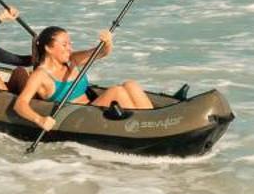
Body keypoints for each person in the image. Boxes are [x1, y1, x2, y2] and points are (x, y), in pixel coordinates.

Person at [11, 24, 155, 132]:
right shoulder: (41, 75)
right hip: (76, 117)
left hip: (93, 106)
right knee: (117, 92)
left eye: (70, 44)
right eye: (64, 44)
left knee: (130, 84)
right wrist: (40, 119)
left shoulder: (71, 60)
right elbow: (20, 104)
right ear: (48, 48)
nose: (69, 48)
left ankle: (154, 123)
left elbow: (101, 53)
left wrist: (107, 42)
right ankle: (147, 129)